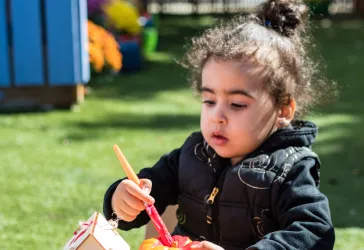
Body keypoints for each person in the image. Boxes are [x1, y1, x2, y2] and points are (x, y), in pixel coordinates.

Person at [103, 0, 335, 249]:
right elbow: (148, 189)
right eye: (209, 100)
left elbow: (315, 233)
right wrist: (122, 200)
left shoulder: (290, 171)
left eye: (236, 104)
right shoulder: (192, 154)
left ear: (283, 109)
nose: (217, 116)